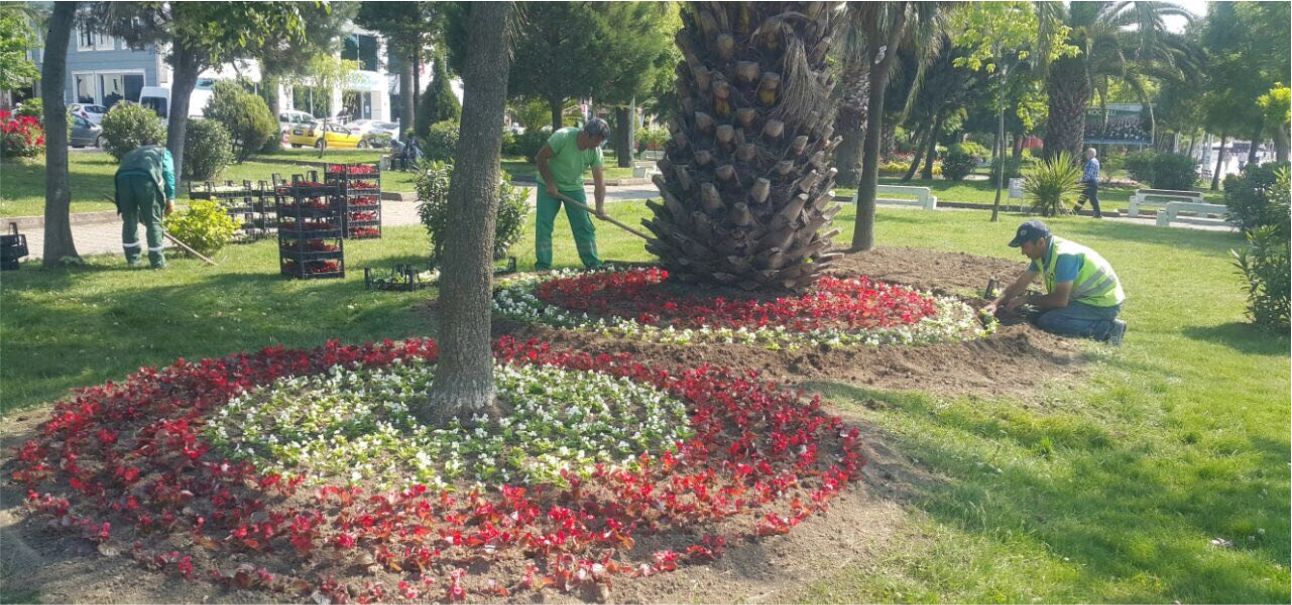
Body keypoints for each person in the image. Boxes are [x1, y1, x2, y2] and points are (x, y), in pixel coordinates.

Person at [983, 220, 1127, 345]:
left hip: (1103, 304)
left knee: (1050, 321)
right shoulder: (1042, 253)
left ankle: (1109, 329)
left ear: (1040, 242)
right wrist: (994, 304)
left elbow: (1060, 301)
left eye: (1025, 247)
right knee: (1035, 314)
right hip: (1083, 300)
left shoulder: (1065, 257)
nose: (1022, 252)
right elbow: (1020, 284)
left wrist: (1026, 299)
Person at [534, 118, 610, 271]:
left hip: (574, 187)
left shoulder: (595, 151)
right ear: (586, 133)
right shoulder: (562, 137)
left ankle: (593, 264)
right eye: (596, 140)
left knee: (583, 226)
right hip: (547, 184)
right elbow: (540, 157)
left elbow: (599, 182)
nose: (597, 145)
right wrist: (550, 183)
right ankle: (543, 266)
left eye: (601, 142)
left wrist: (600, 207)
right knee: (544, 225)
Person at [113, 144, 175, 268]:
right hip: (146, 180)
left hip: (122, 180)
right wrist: (171, 198)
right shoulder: (164, 153)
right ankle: (157, 261)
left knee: (129, 220)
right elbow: (168, 174)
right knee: (153, 221)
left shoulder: (132, 153)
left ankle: (133, 260)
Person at [1072, 147, 1102, 218]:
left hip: (1090, 182)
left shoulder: (1092, 162)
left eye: (1087, 153)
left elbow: (1089, 173)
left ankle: (1098, 214)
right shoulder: (1094, 161)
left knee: (1092, 199)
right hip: (1091, 182)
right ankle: (1074, 212)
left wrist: (1082, 181)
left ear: (1091, 154)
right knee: (1083, 198)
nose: (1086, 155)